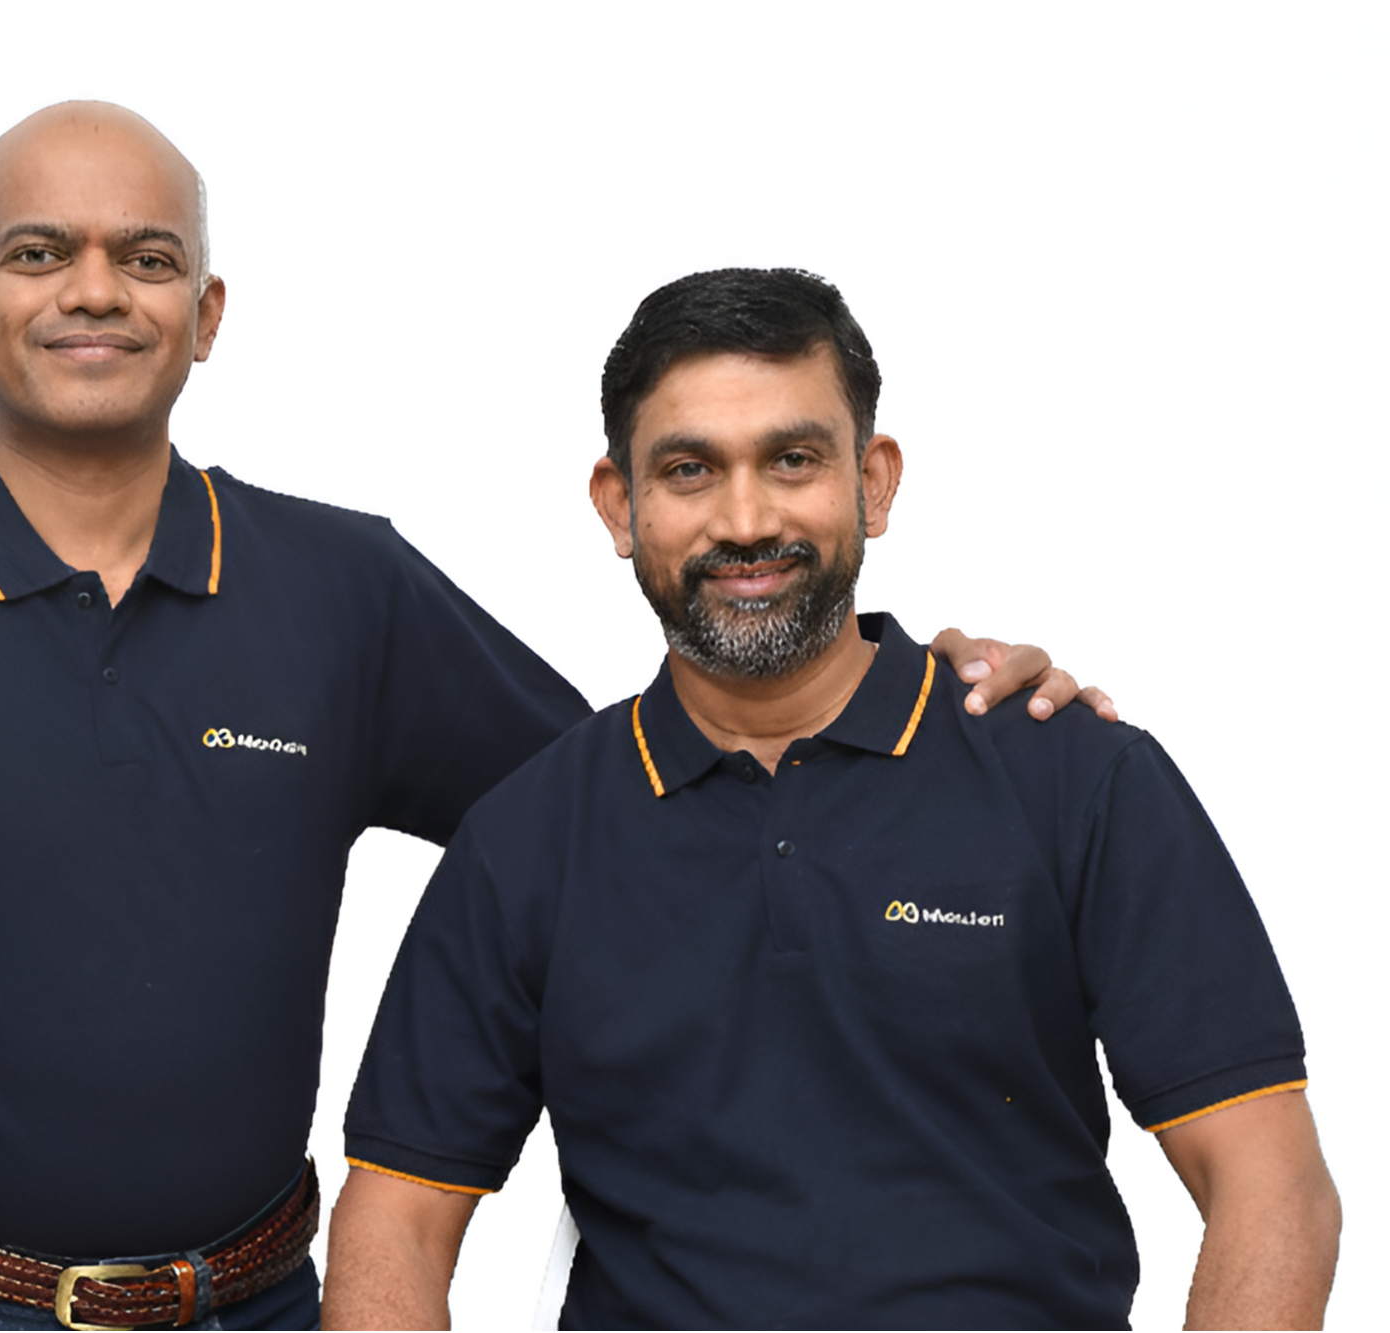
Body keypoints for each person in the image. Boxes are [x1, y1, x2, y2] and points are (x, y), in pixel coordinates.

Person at [0, 108, 1099, 1332]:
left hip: (261, 1301)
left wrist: (905, 680)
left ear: (209, 312)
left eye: (148, 257)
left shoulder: (342, 590)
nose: (98, 290)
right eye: (41, 252)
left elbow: (645, 796)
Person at [324, 268, 1340, 1330]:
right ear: (619, 505)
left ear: (874, 482)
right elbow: (394, 1225)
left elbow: (1271, 1187)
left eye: (792, 459)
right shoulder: (526, 837)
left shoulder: (1072, 777)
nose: (745, 518)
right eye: (688, 470)